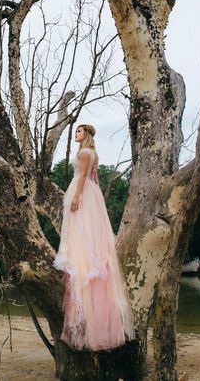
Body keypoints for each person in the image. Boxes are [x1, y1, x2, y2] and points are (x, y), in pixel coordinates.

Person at [53, 124, 135, 351]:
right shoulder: (92, 153)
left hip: (84, 193)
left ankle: (84, 260)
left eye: (79, 132)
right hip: (91, 194)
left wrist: (77, 198)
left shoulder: (85, 153)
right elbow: (96, 180)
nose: (76, 134)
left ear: (86, 135)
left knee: (83, 234)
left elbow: (82, 179)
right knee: (86, 234)